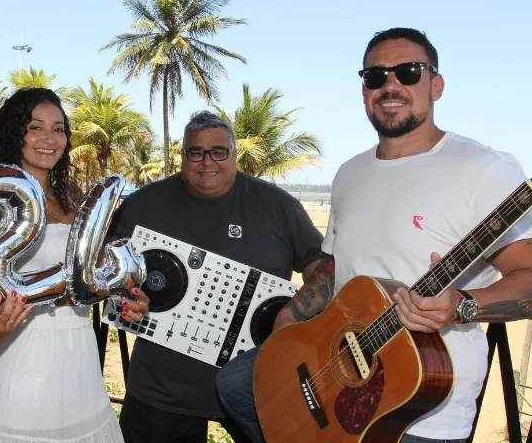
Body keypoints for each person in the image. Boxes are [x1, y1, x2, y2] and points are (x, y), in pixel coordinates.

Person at [217, 27, 532, 443]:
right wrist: (292, 316)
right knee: (236, 384)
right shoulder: (350, 173)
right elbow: (335, 264)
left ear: (435, 84)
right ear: (364, 89)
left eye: (408, 71)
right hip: (337, 376)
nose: (391, 85)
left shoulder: (485, 169)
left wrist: (461, 306)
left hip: (421, 405)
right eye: (376, 76)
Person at [107, 110, 325, 443]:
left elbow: (321, 267)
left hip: (256, 388)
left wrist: (296, 312)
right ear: (183, 157)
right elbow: (105, 269)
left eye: (218, 151)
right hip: (161, 391)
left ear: (234, 153)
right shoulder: (143, 205)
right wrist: (123, 298)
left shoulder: (277, 205)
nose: (207, 161)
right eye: (196, 152)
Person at [0, 87, 150, 443]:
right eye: (35, 127)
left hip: (82, 354)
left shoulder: (75, 200)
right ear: (14, 132)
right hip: (25, 358)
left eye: (58, 129)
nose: (49, 139)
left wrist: (128, 302)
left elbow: (98, 278)